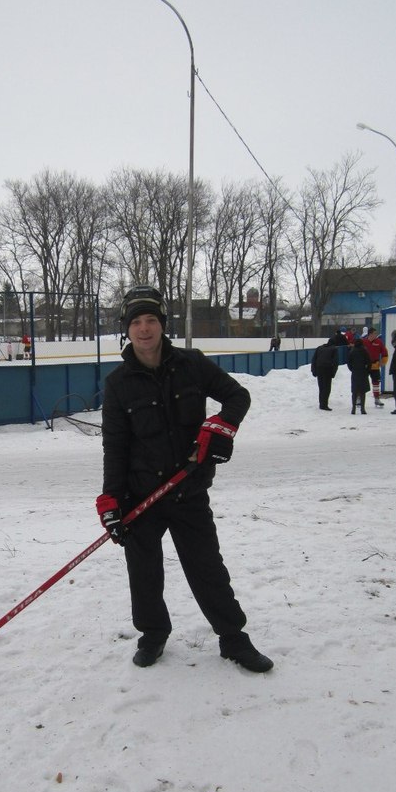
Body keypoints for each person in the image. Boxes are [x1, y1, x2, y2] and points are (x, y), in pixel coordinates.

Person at [96, 285, 273, 674]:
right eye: (136, 322)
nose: (144, 329)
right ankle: (154, 633)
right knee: (144, 574)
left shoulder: (192, 364)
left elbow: (237, 396)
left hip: (188, 490)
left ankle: (233, 638)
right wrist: (111, 500)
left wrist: (221, 427)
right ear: (127, 329)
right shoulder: (118, 383)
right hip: (142, 495)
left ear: (162, 325)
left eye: (151, 321)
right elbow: (116, 446)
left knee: (207, 567)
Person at [310, 336, 340, 410]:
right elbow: (335, 362)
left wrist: (313, 370)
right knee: (327, 388)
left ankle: (321, 404)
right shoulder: (334, 349)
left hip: (319, 369)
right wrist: (333, 373)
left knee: (321, 387)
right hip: (327, 369)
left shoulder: (319, 348)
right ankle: (324, 405)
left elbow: (314, 359)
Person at [363, 327, 389, 407]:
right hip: (365, 366)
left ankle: (377, 399)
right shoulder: (363, 342)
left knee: (376, 383)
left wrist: (383, 361)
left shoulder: (379, 342)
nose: (376, 335)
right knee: (362, 383)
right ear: (370, 334)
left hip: (375, 366)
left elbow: (385, 353)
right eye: (375, 333)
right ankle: (359, 399)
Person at [347, 338, 371, 414]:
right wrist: (367, 371)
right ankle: (362, 409)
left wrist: (352, 369)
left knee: (354, 391)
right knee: (362, 392)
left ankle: (353, 409)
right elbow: (369, 362)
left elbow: (349, 363)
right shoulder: (365, 351)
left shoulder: (352, 351)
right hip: (363, 372)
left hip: (355, 372)